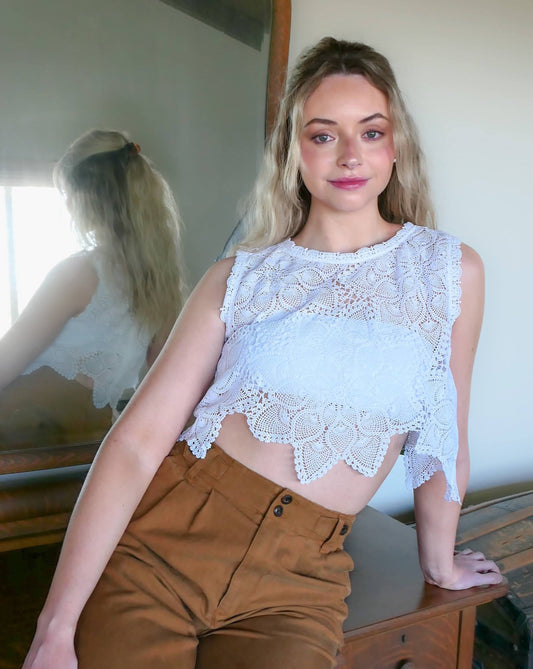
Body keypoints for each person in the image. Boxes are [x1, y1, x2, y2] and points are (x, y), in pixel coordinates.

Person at [22, 38, 502, 669]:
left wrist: (438, 562)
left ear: (395, 144)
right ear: (293, 152)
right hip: (163, 548)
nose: (351, 155)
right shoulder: (239, 278)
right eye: (324, 135)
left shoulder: (449, 272)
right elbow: (136, 444)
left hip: (298, 584)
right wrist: (55, 629)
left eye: (372, 131)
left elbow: (446, 435)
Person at [0, 129, 185, 412]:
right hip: (83, 437)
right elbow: (170, 382)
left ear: (86, 197)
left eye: (67, 194)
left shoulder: (78, 274)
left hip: (23, 436)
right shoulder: (161, 287)